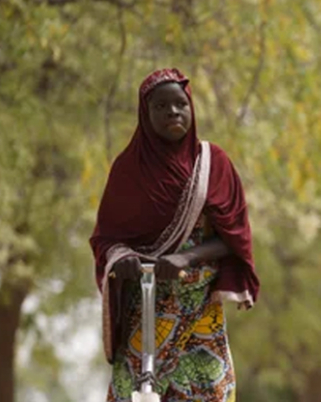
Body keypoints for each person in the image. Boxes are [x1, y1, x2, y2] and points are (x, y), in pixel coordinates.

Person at [90, 68, 259, 402]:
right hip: (147, 302)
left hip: (200, 302)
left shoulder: (213, 164)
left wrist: (187, 257)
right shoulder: (128, 170)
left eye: (181, 104)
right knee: (138, 390)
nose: (173, 112)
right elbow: (105, 239)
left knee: (209, 390)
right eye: (161, 106)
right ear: (145, 113)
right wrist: (123, 258)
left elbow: (235, 236)